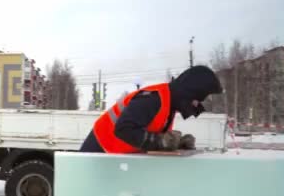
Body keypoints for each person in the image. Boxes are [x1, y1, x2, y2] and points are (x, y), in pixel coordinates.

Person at [80, 65, 223, 153]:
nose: (196, 105)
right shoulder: (152, 99)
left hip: (114, 157)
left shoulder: (168, 106)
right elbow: (123, 129)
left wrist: (175, 143)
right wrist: (160, 142)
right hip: (97, 151)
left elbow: (149, 135)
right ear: (189, 93)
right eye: (197, 100)